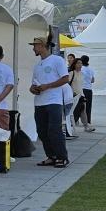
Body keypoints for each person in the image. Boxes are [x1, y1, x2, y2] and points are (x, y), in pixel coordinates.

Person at [29, 37, 70, 168]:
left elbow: (65, 79)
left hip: (54, 101)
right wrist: (33, 89)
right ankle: (51, 156)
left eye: (35, 45)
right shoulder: (37, 65)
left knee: (54, 130)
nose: (33, 48)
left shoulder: (57, 60)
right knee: (41, 131)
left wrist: (48, 86)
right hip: (39, 102)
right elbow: (33, 84)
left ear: (42, 46)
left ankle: (62, 157)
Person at [79, 55, 95, 132]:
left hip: (81, 89)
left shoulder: (80, 69)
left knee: (80, 106)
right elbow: (92, 80)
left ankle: (77, 120)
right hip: (89, 89)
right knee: (88, 107)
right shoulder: (91, 69)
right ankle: (88, 121)